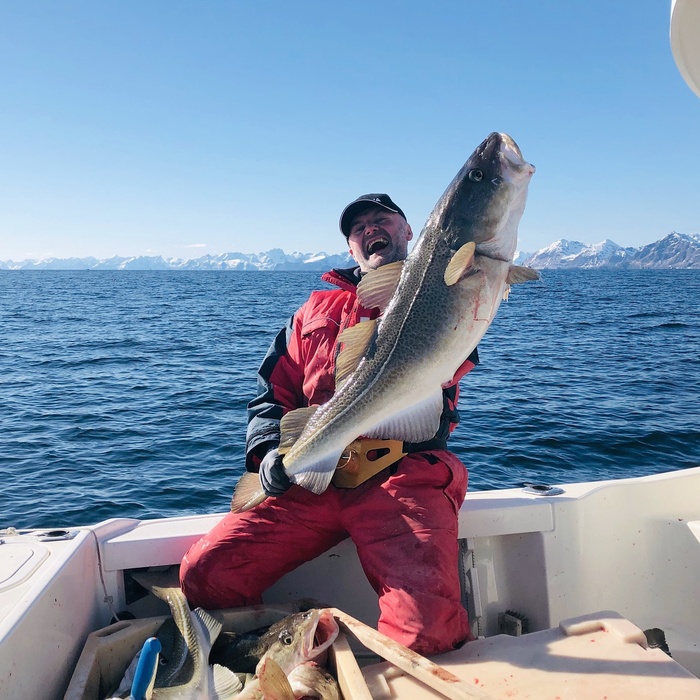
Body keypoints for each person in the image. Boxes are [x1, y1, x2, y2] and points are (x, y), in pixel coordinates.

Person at [179, 194, 479, 656]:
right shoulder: (311, 312)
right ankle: (282, 659)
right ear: (351, 248)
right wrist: (267, 457)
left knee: (427, 632)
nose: (369, 229)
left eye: (382, 220)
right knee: (206, 574)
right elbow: (271, 394)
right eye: (358, 228)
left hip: (402, 475)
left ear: (409, 232)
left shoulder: (449, 284)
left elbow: (459, 348)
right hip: (312, 474)